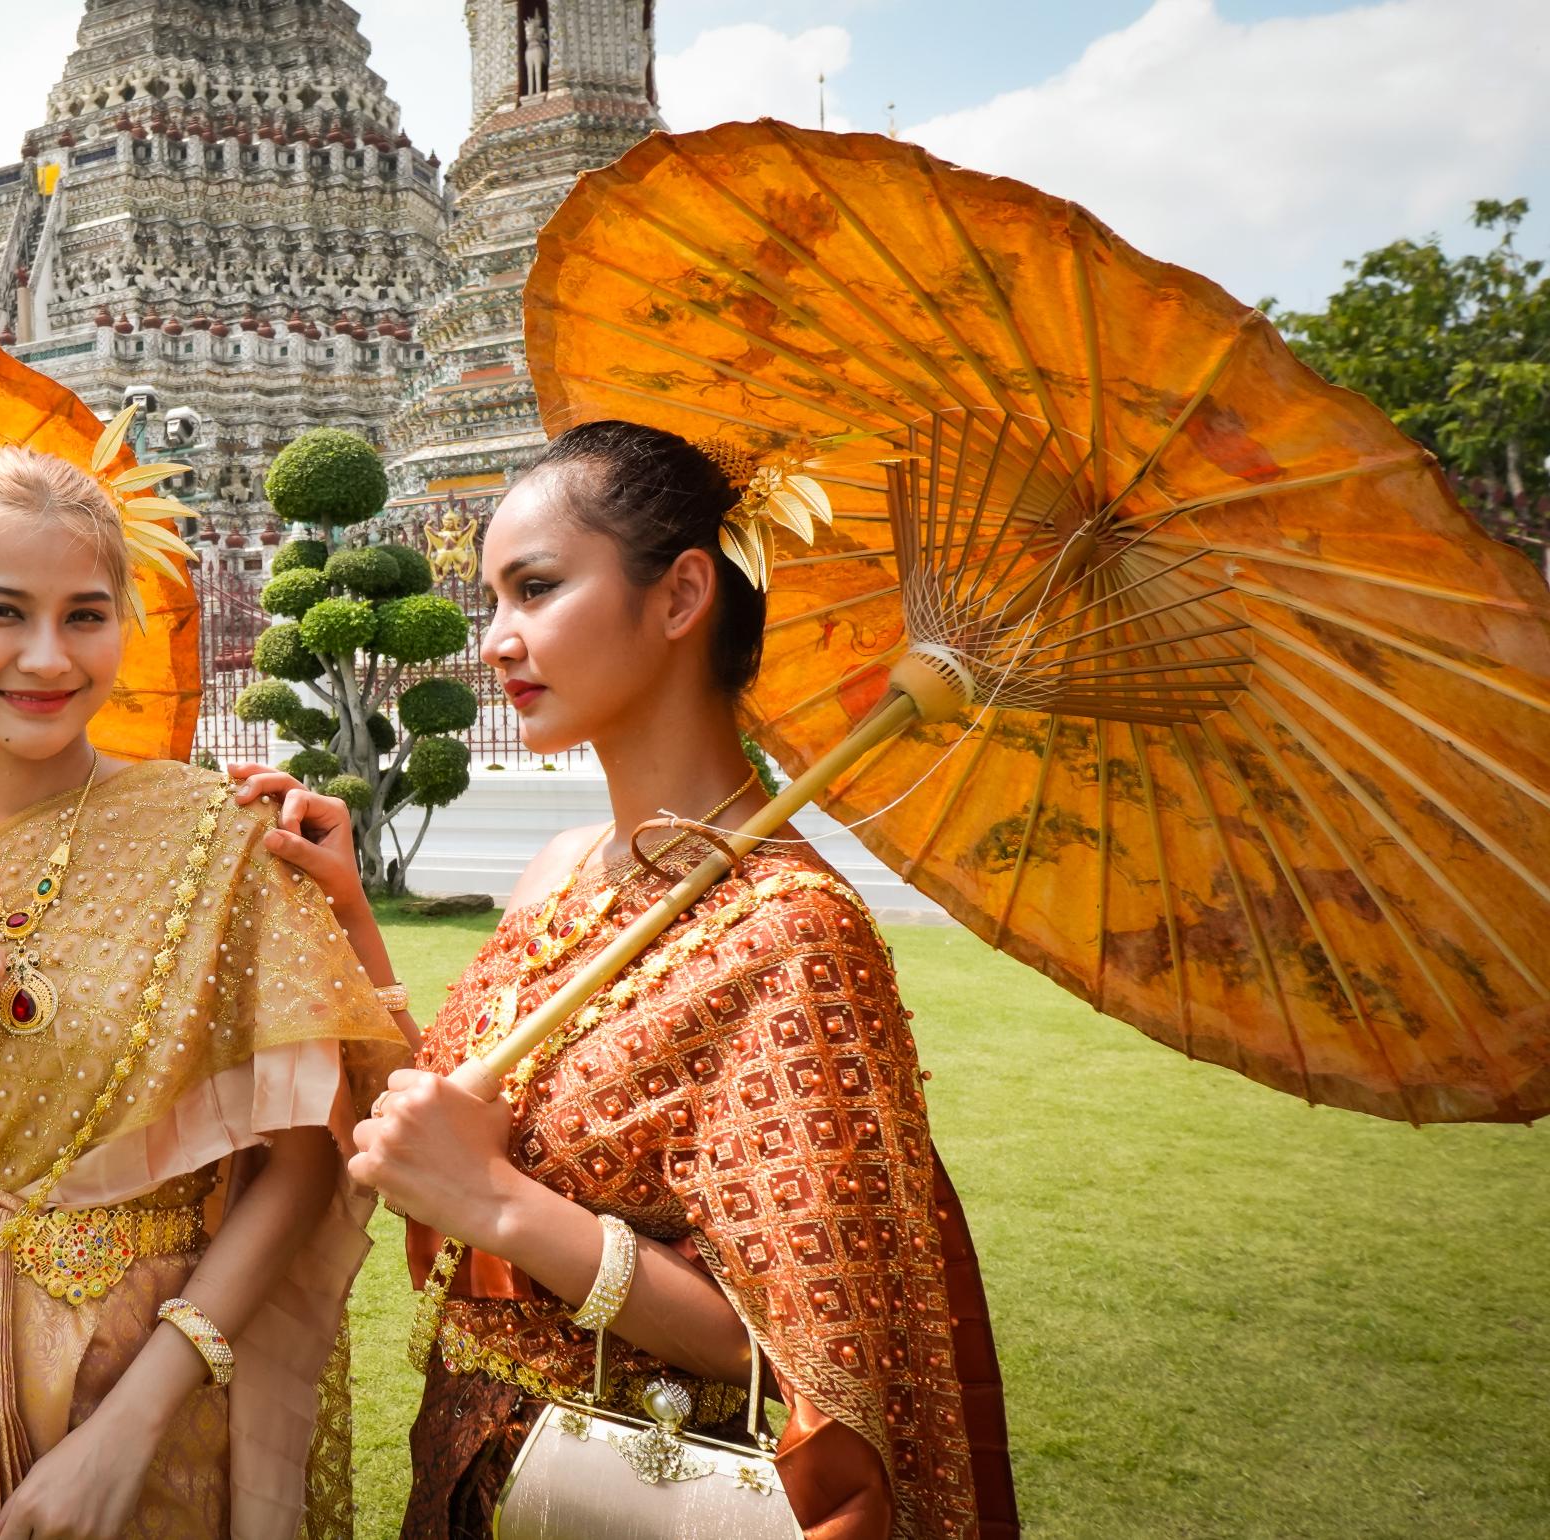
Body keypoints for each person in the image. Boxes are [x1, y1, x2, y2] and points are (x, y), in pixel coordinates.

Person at [233, 421, 1020, 1539]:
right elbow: (434, 1128)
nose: (498, 641)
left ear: (682, 594)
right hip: (468, 1466)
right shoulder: (562, 870)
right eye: (491, 601)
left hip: (623, 1492)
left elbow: (808, 1352)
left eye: (537, 589)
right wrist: (350, 910)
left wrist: (500, 1206)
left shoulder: (792, 932)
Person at [0, 443, 412, 1539]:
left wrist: (133, 1420)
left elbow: (302, 1163)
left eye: (85, 613)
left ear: (125, 621)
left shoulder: (214, 833)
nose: (46, 656)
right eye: (0, 611)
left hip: (158, 1374)